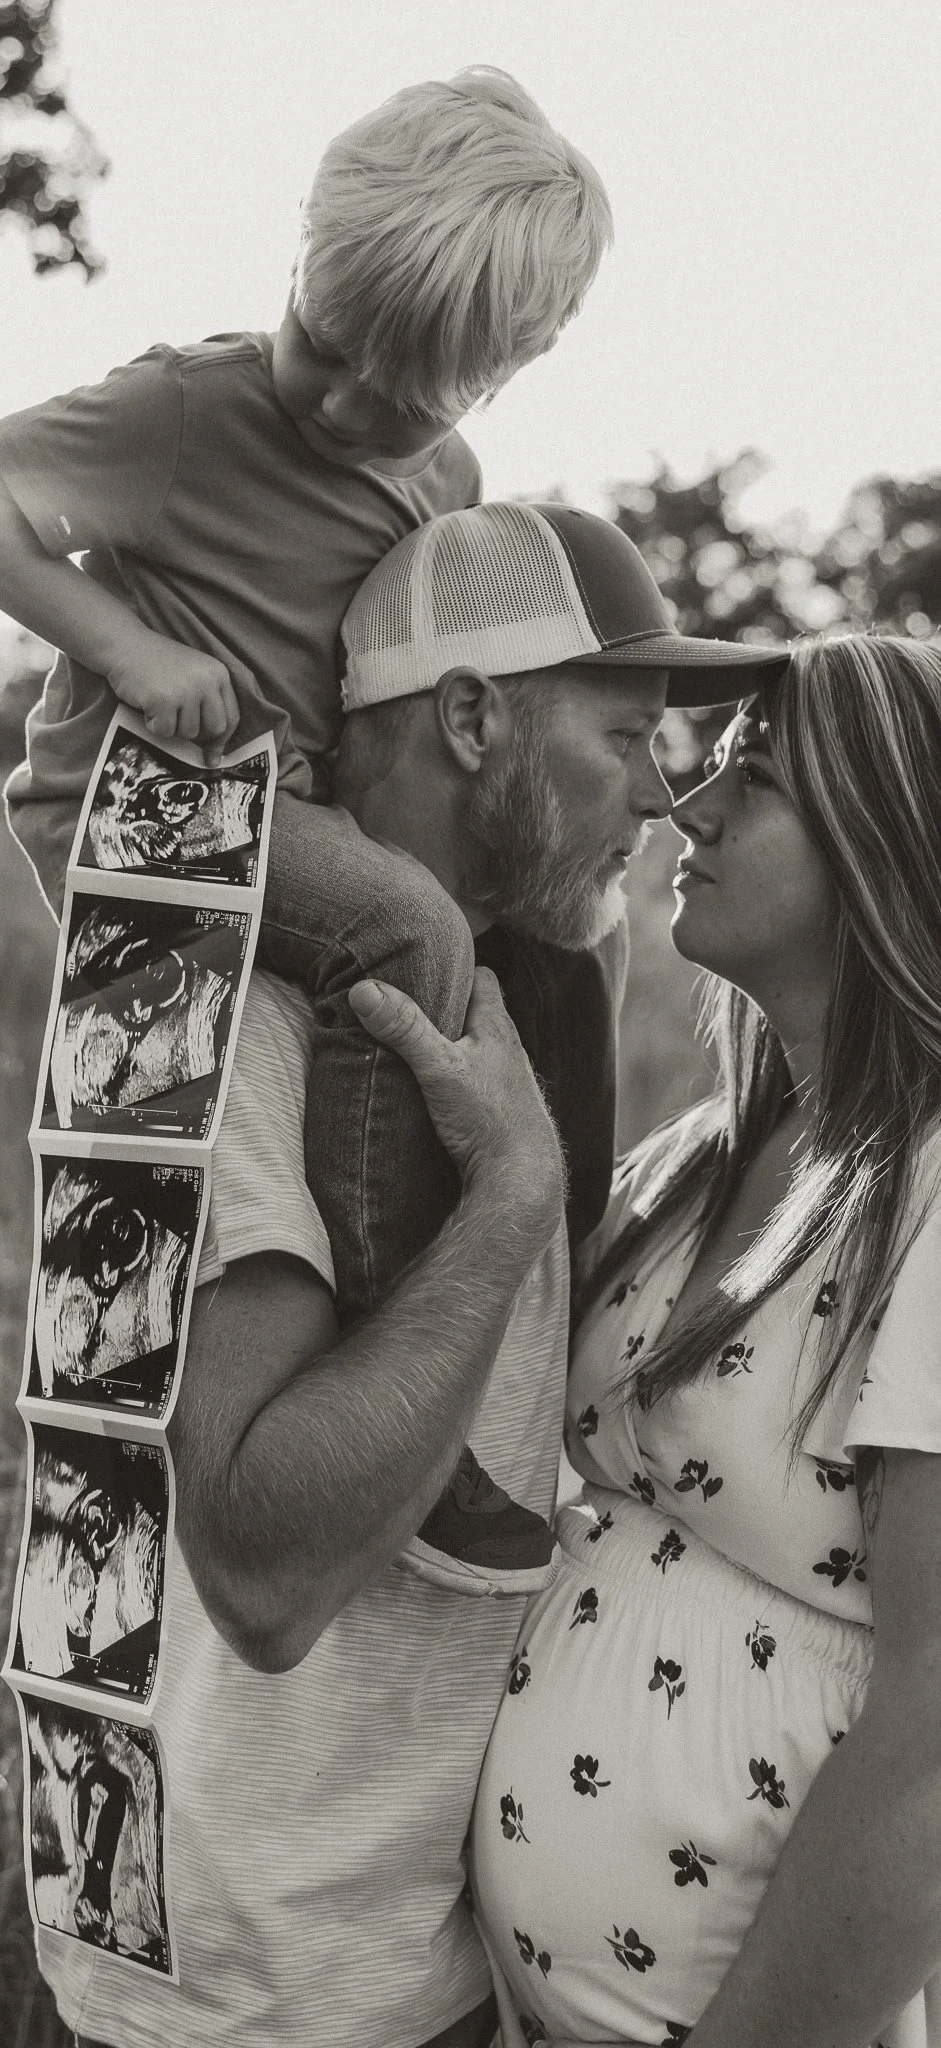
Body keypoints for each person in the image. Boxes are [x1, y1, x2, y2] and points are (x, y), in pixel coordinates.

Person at [40, 505, 786, 2048]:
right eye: (629, 735)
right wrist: (512, 1197)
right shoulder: (188, 1010)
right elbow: (264, 1571)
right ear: (468, 716)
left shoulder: (528, 982)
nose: (663, 793)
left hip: (441, 1941)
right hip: (265, 1976)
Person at [0, 66, 614, 1591]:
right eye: (325, 342)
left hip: (282, 810)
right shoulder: (185, 412)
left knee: (561, 946)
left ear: (507, 370)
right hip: (143, 803)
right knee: (407, 928)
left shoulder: (446, 481)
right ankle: (384, 1374)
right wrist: (129, 648)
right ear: (299, 251)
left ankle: (575, 1317)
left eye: (407, 393)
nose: (345, 406)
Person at [473, 635, 941, 2048]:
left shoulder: (933, 1184)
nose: (694, 807)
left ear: (890, 838)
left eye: (762, 778)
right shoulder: (693, 1160)